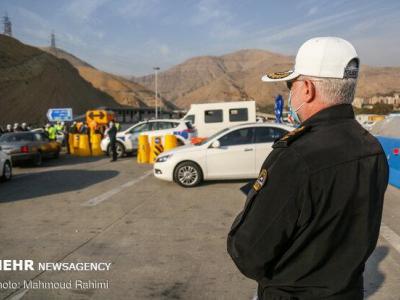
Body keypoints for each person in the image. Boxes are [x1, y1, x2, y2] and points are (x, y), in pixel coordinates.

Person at [227, 37, 389, 300]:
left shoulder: (296, 157)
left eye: (291, 85)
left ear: (308, 89)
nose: (290, 93)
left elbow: (248, 253)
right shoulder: (372, 148)